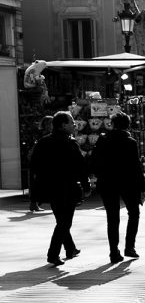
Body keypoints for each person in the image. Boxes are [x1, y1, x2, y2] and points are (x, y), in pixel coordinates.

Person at [29, 111, 91, 266]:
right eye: (71, 122)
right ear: (63, 125)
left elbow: (34, 165)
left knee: (61, 219)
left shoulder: (43, 142)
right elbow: (80, 167)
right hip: (67, 187)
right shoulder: (70, 143)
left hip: (49, 187)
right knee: (64, 222)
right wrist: (86, 185)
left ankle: (70, 248)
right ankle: (53, 254)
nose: (74, 124)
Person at [91, 111, 145, 263]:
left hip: (107, 183)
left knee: (112, 217)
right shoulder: (130, 142)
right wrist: (143, 188)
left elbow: (94, 160)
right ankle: (130, 247)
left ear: (113, 124)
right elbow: (136, 167)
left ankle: (113, 251)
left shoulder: (103, 140)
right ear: (128, 125)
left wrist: (100, 175)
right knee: (134, 213)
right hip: (128, 183)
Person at [28, 115, 53, 212]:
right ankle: (34, 204)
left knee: (37, 183)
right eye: (51, 123)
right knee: (39, 183)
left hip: (39, 161)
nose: (52, 125)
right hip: (40, 162)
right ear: (46, 124)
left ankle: (34, 204)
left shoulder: (40, 133)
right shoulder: (45, 135)